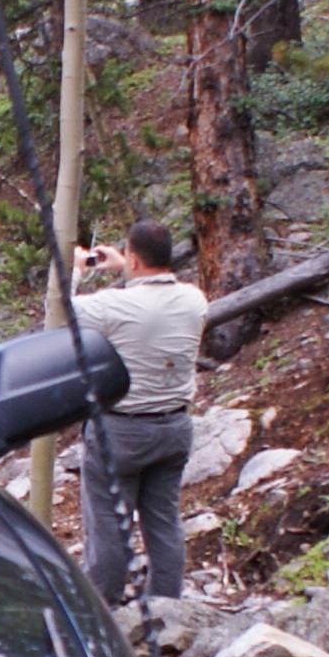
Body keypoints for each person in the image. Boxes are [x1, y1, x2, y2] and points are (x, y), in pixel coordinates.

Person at [67, 217, 206, 611]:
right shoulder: (195, 299)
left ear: (133, 259)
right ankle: (168, 607)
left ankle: (104, 607)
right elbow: (155, 295)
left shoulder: (114, 306)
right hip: (175, 427)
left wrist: (76, 270)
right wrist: (124, 265)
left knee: (109, 526)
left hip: (121, 432)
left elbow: (58, 313)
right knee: (164, 521)